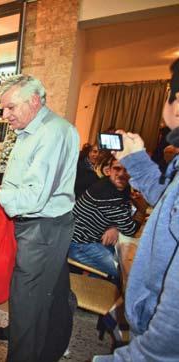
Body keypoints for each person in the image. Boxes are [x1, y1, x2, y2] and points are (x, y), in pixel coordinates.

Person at [0, 75, 79, 362]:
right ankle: (48, 347)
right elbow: (25, 184)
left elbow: (33, 198)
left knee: (26, 299)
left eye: (10, 107)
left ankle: (24, 351)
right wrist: (1, 190)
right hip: (45, 227)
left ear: (34, 101)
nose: (5, 115)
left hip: (43, 229)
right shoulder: (32, 130)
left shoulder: (51, 133)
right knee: (53, 294)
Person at [92, 59, 179, 361]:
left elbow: (167, 339)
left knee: (118, 265)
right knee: (116, 264)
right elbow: (167, 200)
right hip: (85, 243)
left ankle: (113, 320)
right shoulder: (109, 188)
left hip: (157, 335)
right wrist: (136, 160)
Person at [69, 158, 146, 281]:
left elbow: (125, 211)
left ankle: (98, 289)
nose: (121, 174)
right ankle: (101, 296)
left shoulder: (115, 186)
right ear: (109, 170)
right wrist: (142, 210)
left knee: (128, 261)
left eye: (126, 170)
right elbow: (130, 229)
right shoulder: (106, 194)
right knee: (127, 273)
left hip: (93, 239)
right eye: (117, 168)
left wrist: (115, 226)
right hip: (79, 245)